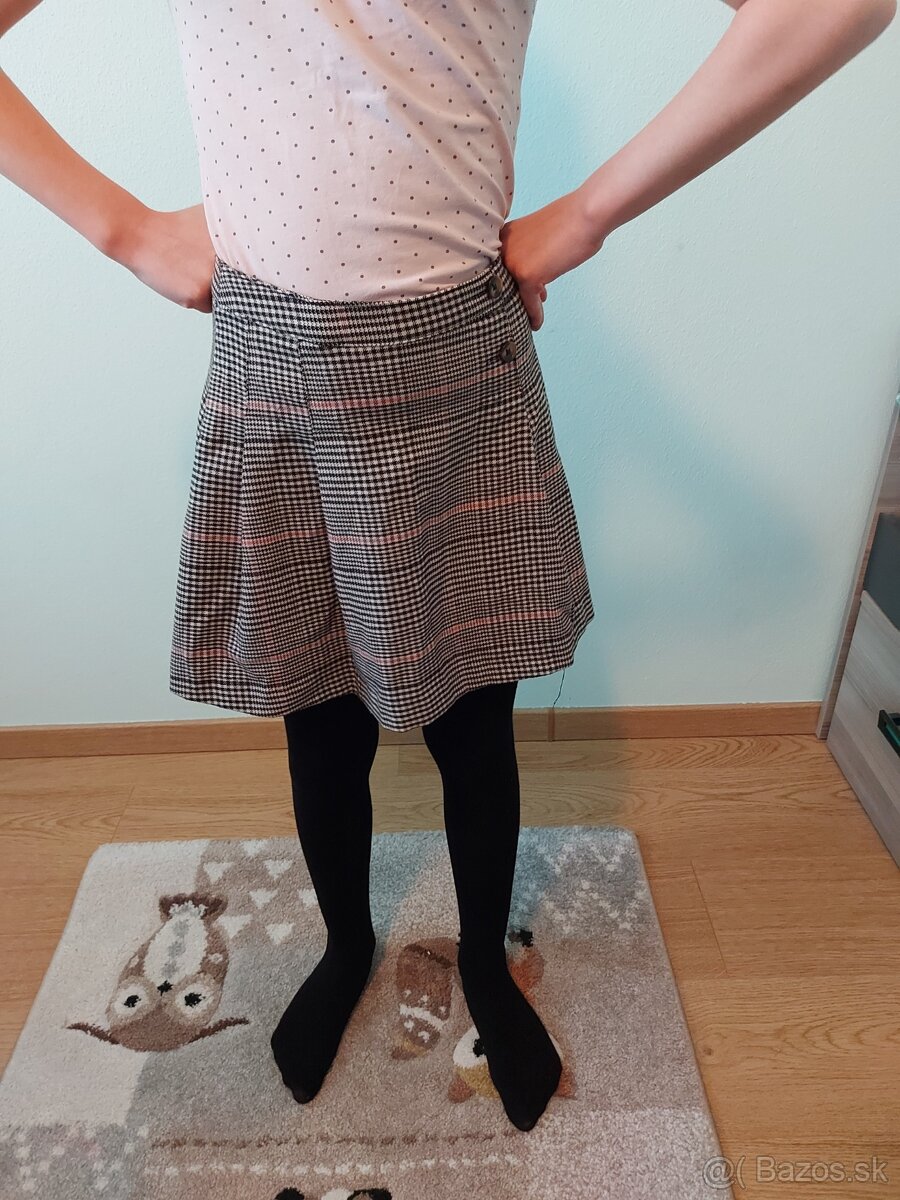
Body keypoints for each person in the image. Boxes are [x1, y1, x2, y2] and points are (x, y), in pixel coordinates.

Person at [1, 0, 893, 1135]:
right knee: (318, 712)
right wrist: (124, 230)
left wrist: (585, 217)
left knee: (475, 717)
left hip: (459, 366)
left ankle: (481, 958)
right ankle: (345, 944)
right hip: (275, 365)